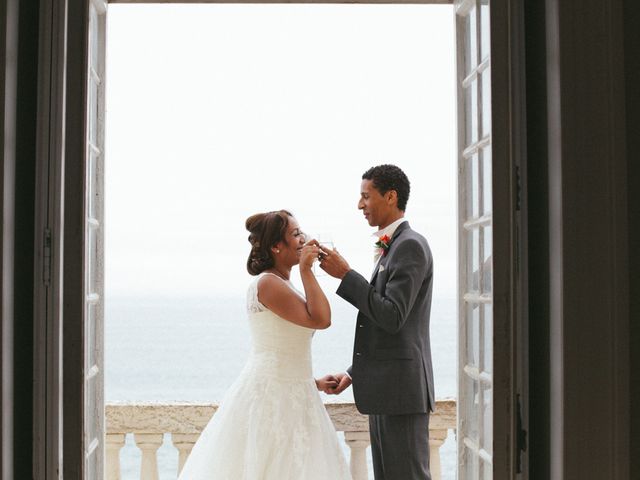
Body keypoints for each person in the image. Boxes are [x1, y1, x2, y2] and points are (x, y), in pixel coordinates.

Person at [177, 210, 351, 480]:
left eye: (301, 232)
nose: (303, 239)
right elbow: (322, 319)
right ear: (276, 247)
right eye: (295, 234)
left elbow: (282, 346)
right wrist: (306, 269)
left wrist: (312, 382)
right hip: (273, 401)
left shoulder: (282, 283)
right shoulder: (268, 283)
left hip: (294, 393)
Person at [319, 164, 435, 480]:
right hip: (388, 390)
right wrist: (354, 373)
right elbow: (389, 327)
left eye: (365, 196)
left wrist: (346, 274)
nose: (360, 205)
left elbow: (393, 316)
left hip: (402, 394)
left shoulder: (409, 245)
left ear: (391, 196)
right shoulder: (391, 246)